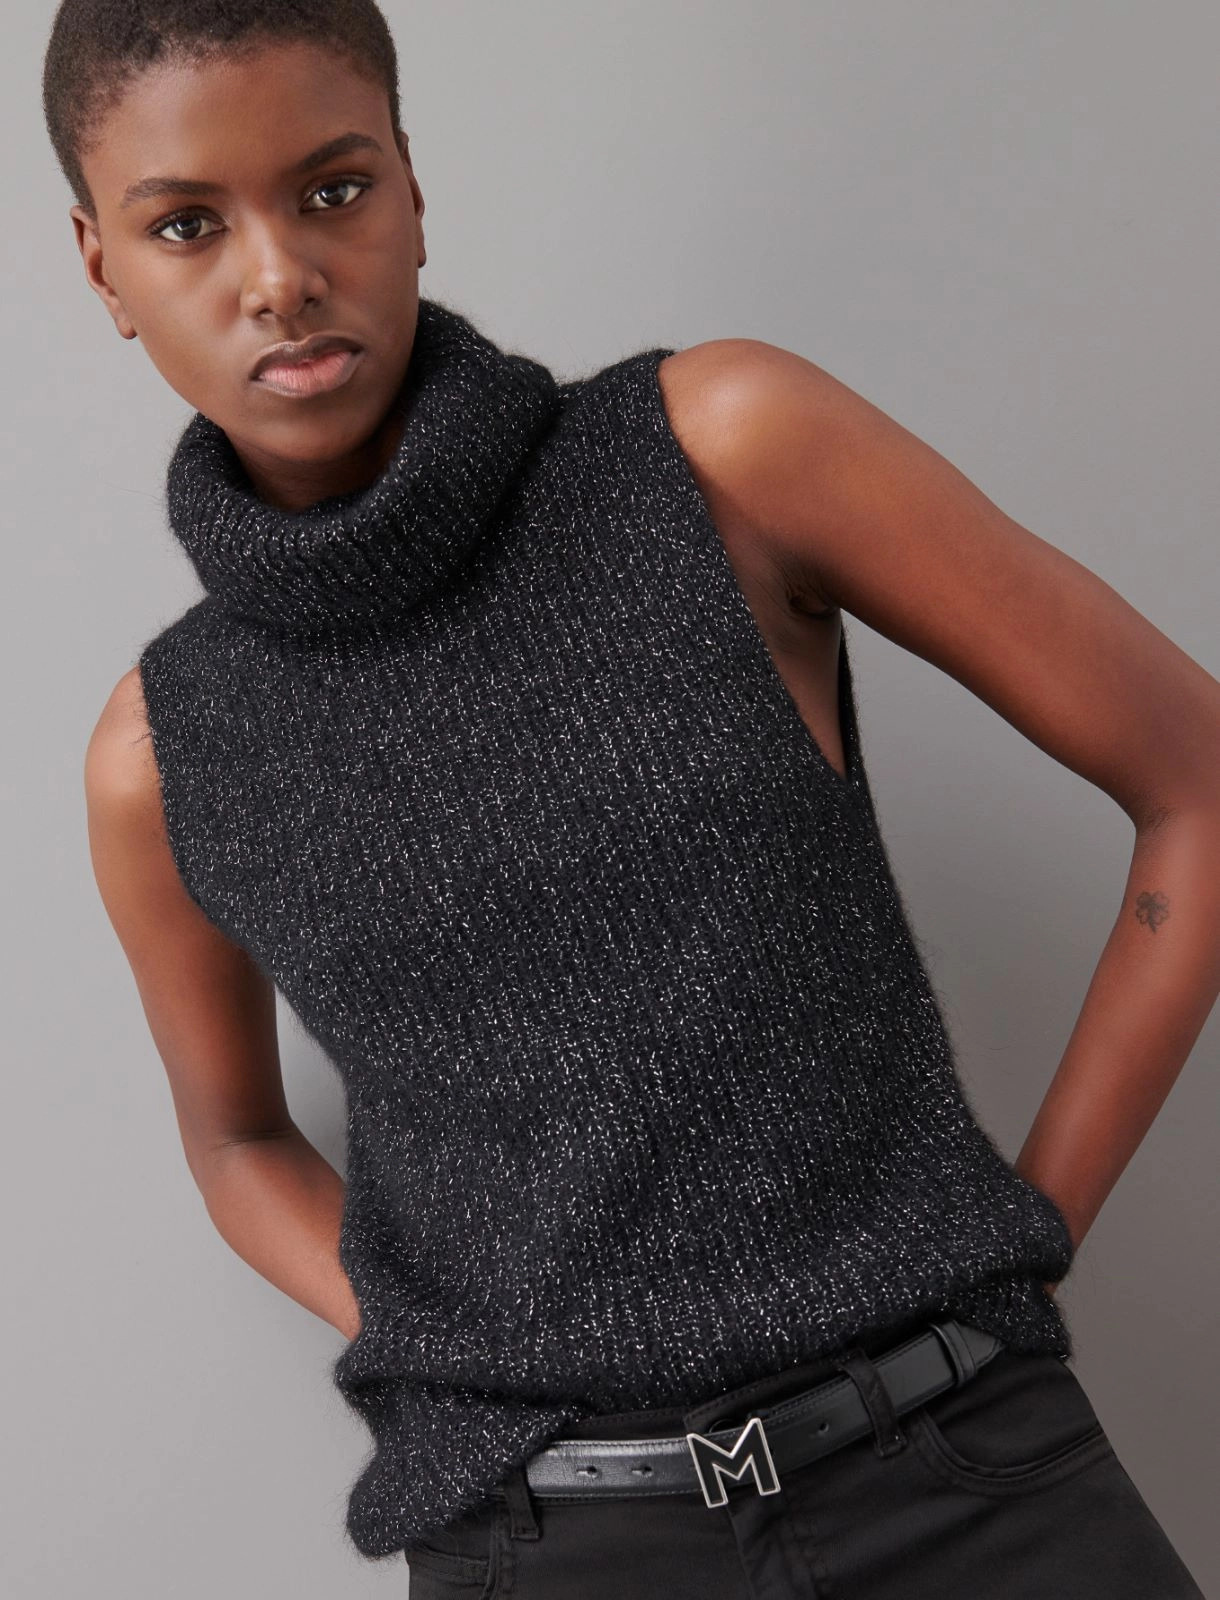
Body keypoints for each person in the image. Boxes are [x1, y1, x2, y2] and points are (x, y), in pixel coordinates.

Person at [44, 2, 1216, 1594]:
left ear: (412, 186)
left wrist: (1029, 1232)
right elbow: (237, 1139)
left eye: (332, 188)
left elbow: (1196, 782)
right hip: (545, 1548)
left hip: (965, 1493)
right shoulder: (159, 754)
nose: (278, 274)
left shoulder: (719, 450)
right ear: (103, 269)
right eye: (186, 225)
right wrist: (460, 1335)